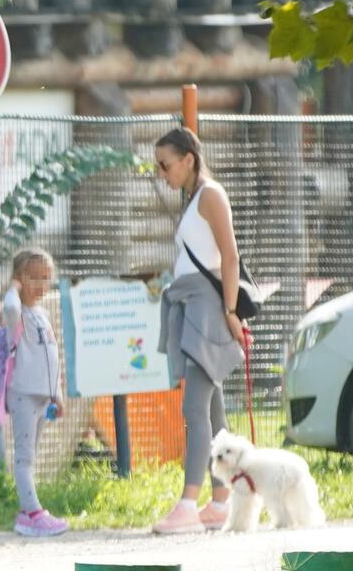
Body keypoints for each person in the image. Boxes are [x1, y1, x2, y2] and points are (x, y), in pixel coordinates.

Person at [150, 127, 251, 535]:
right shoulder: (193, 198)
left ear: (188, 158)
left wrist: (230, 311)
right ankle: (220, 502)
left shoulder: (210, 194)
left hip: (208, 309)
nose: (161, 172)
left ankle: (189, 504)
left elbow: (230, 255)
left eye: (165, 164)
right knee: (213, 410)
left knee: (195, 408)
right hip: (194, 305)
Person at [3, 247, 68, 537]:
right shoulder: (17, 315)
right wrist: (14, 288)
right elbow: (9, 307)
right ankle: (33, 513)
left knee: (32, 454)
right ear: (18, 279)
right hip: (24, 393)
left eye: (45, 278)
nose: (40, 285)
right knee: (24, 457)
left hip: (43, 396)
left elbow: (52, 355)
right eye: (32, 278)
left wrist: (58, 393)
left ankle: (26, 514)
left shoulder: (41, 314)